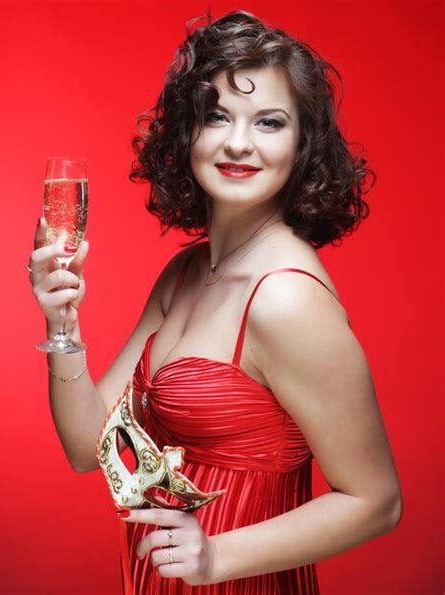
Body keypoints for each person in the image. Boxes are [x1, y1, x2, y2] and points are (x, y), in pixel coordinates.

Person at [28, 10, 403, 595]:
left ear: (303, 142)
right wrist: (62, 322)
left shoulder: (285, 298)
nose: (237, 142)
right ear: (188, 133)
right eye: (217, 115)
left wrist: (215, 557)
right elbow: (89, 449)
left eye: (270, 122)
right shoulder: (185, 272)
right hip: (160, 580)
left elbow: (376, 501)